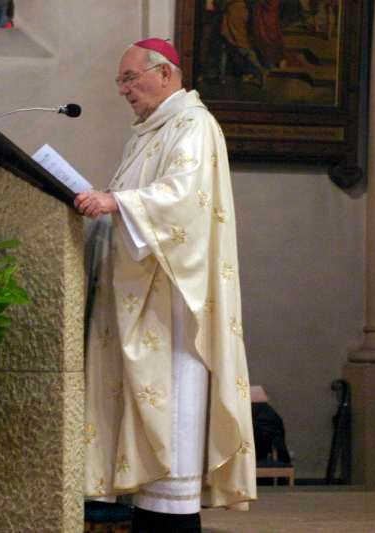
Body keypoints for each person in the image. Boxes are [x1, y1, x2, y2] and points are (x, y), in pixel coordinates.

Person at [75, 39, 256, 532]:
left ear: (164, 73)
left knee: (173, 452)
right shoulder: (147, 134)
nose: (123, 90)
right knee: (151, 470)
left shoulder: (193, 124)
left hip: (173, 311)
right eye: (120, 81)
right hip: (142, 301)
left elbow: (184, 198)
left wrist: (116, 202)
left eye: (129, 78)